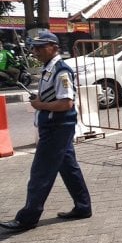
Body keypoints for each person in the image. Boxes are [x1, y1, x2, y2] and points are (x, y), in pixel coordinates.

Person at [0, 30, 92, 232]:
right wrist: (40, 100)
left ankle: (27, 218)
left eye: (41, 47)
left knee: (40, 173)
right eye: (34, 47)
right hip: (56, 126)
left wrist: (40, 105)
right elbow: (54, 97)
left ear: (55, 47)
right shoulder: (49, 68)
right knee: (69, 168)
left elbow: (66, 103)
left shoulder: (61, 70)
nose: (36, 51)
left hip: (57, 127)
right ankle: (83, 207)